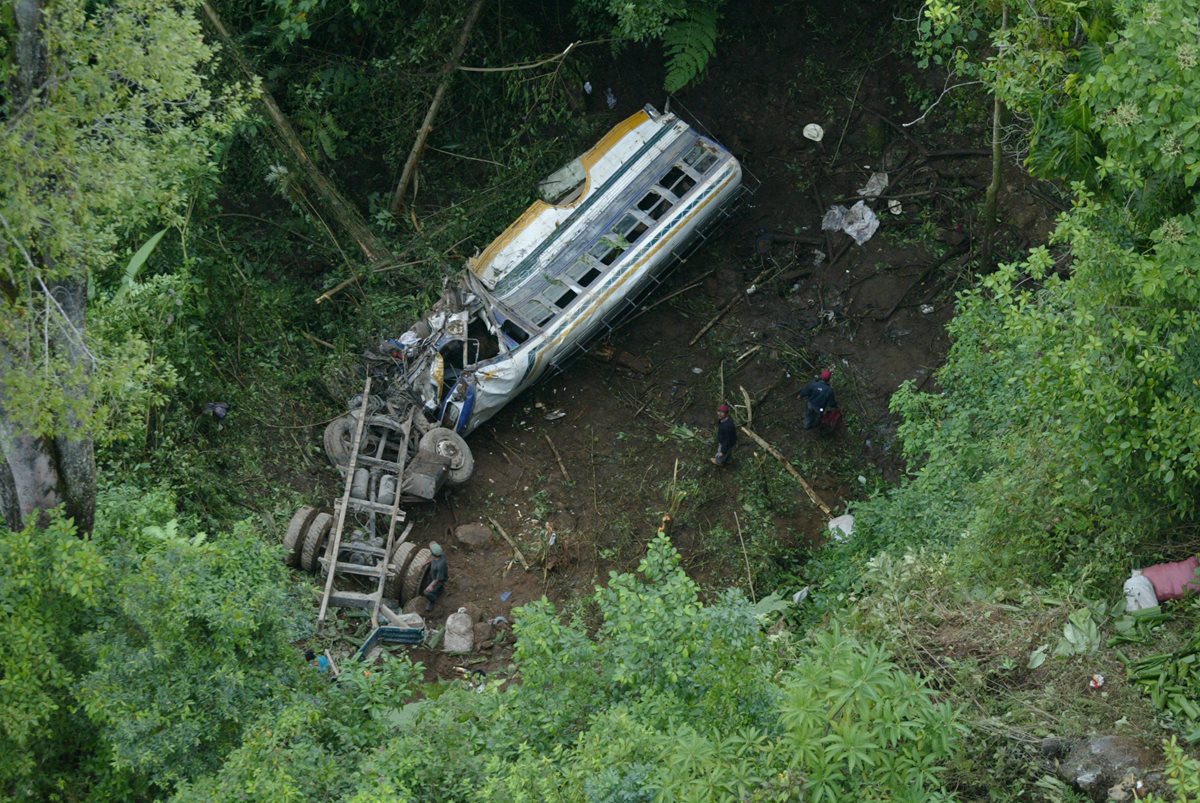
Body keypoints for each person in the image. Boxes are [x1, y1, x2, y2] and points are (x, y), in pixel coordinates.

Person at [423, 542, 449, 612]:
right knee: (429, 582)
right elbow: (432, 557)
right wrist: (426, 562)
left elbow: (438, 578)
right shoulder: (439, 554)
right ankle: (440, 590)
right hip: (433, 575)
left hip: (439, 580)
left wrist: (431, 586)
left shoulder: (441, 565)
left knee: (426, 592)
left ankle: (432, 600)